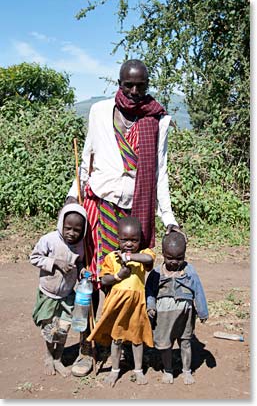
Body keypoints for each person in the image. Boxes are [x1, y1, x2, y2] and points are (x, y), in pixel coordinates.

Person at [66, 58, 186, 375]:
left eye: (141, 85)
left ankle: (122, 341)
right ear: (119, 83)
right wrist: (71, 195)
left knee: (127, 278)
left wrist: (168, 217)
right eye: (128, 84)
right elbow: (87, 159)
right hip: (98, 204)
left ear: (147, 85)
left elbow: (159, 174)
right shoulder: (100, 112)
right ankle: (86, 348)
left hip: (134, 213)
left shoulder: (157, 120)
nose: (134, 91)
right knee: (90, 278)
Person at [86, 216, 156, 387]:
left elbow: (149, 260)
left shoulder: (143, 255)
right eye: (125, 240)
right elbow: (104, 280)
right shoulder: (111, 257)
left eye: (134, 240)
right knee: (116, 339)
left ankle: (138, 370)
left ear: (140, 240)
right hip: (117, 305)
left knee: (137, 338)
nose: (129, 244)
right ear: (118, 239)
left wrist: (130, 257)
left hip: (136, 304)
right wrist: (119, 275)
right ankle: (115, 370)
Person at [30, 204, 87, 377]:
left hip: (67, 294)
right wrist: (55, 262)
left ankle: (58, 358)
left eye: (77, 230)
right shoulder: (50, 239)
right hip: (48, 292)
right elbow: (34, 257)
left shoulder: (80, 245)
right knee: (49, 327)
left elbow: (79, 262)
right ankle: (48, 355)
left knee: (63, 328)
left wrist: (82, 270)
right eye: (68, 228)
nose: (72, 233)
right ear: (61, 223)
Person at [145, 231, 208, 385]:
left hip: (184, 315)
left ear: (185, 254)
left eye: (179, 258)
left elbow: (198, 290)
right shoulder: (156, 273)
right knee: (165, 344)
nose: (174, 262)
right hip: (163, 316)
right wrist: (151, 306)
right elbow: (149, 292)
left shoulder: (189, 271)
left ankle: (187, 371)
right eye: (169, 258)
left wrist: (202, 310)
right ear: (163, 254)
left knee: (185, 342)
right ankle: (168, 370)